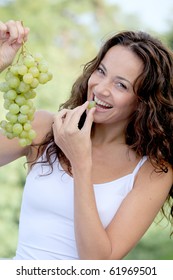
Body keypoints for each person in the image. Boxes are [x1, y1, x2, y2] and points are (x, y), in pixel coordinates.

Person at [0, 20, 173, 260]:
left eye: (121, 84)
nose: (101, 88)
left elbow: (97, 265)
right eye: (101, 71)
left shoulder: (152, 172)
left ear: (144, 102)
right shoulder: (44, 128)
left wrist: (81, 163)